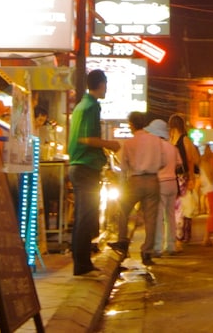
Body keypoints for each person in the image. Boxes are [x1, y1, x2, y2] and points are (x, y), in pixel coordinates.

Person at [68, 69, 120, 278]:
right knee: (85, 216)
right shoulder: (91, 106)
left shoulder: (81, 106)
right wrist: (111, 144)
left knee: (84, 216)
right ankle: (81, 264)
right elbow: (87, 138)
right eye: (106, 83)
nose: (106, 88)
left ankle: (82, 261)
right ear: (101, 84)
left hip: (80, 167)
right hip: (85, 167)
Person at [112, 116, 166, 266]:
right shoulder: (156, 141)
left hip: (135, 180)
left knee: (123, 209)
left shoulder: (129, 143)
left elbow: (124, 168)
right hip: (153, 180)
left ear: (131, 125)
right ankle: (147, 252)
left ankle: (122, 240)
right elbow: (163, 162)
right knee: (151, 218)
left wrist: (123, 185)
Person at [154, 119, 182, 256]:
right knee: (170, 216)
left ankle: (158, 247)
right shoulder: (173, 147)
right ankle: (171, 246)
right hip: (173, 182)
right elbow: (179, 164)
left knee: (159, 216)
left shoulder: (156, 147)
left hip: (161, 183)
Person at [169, 114, 199, 243]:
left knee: (183, 206)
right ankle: (180, 235)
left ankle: (182, 235)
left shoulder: (184, 139)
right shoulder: (172, 140)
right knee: (178, 207)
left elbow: (191, 160)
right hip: (174, 177)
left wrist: (191, 178)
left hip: (183, 177)